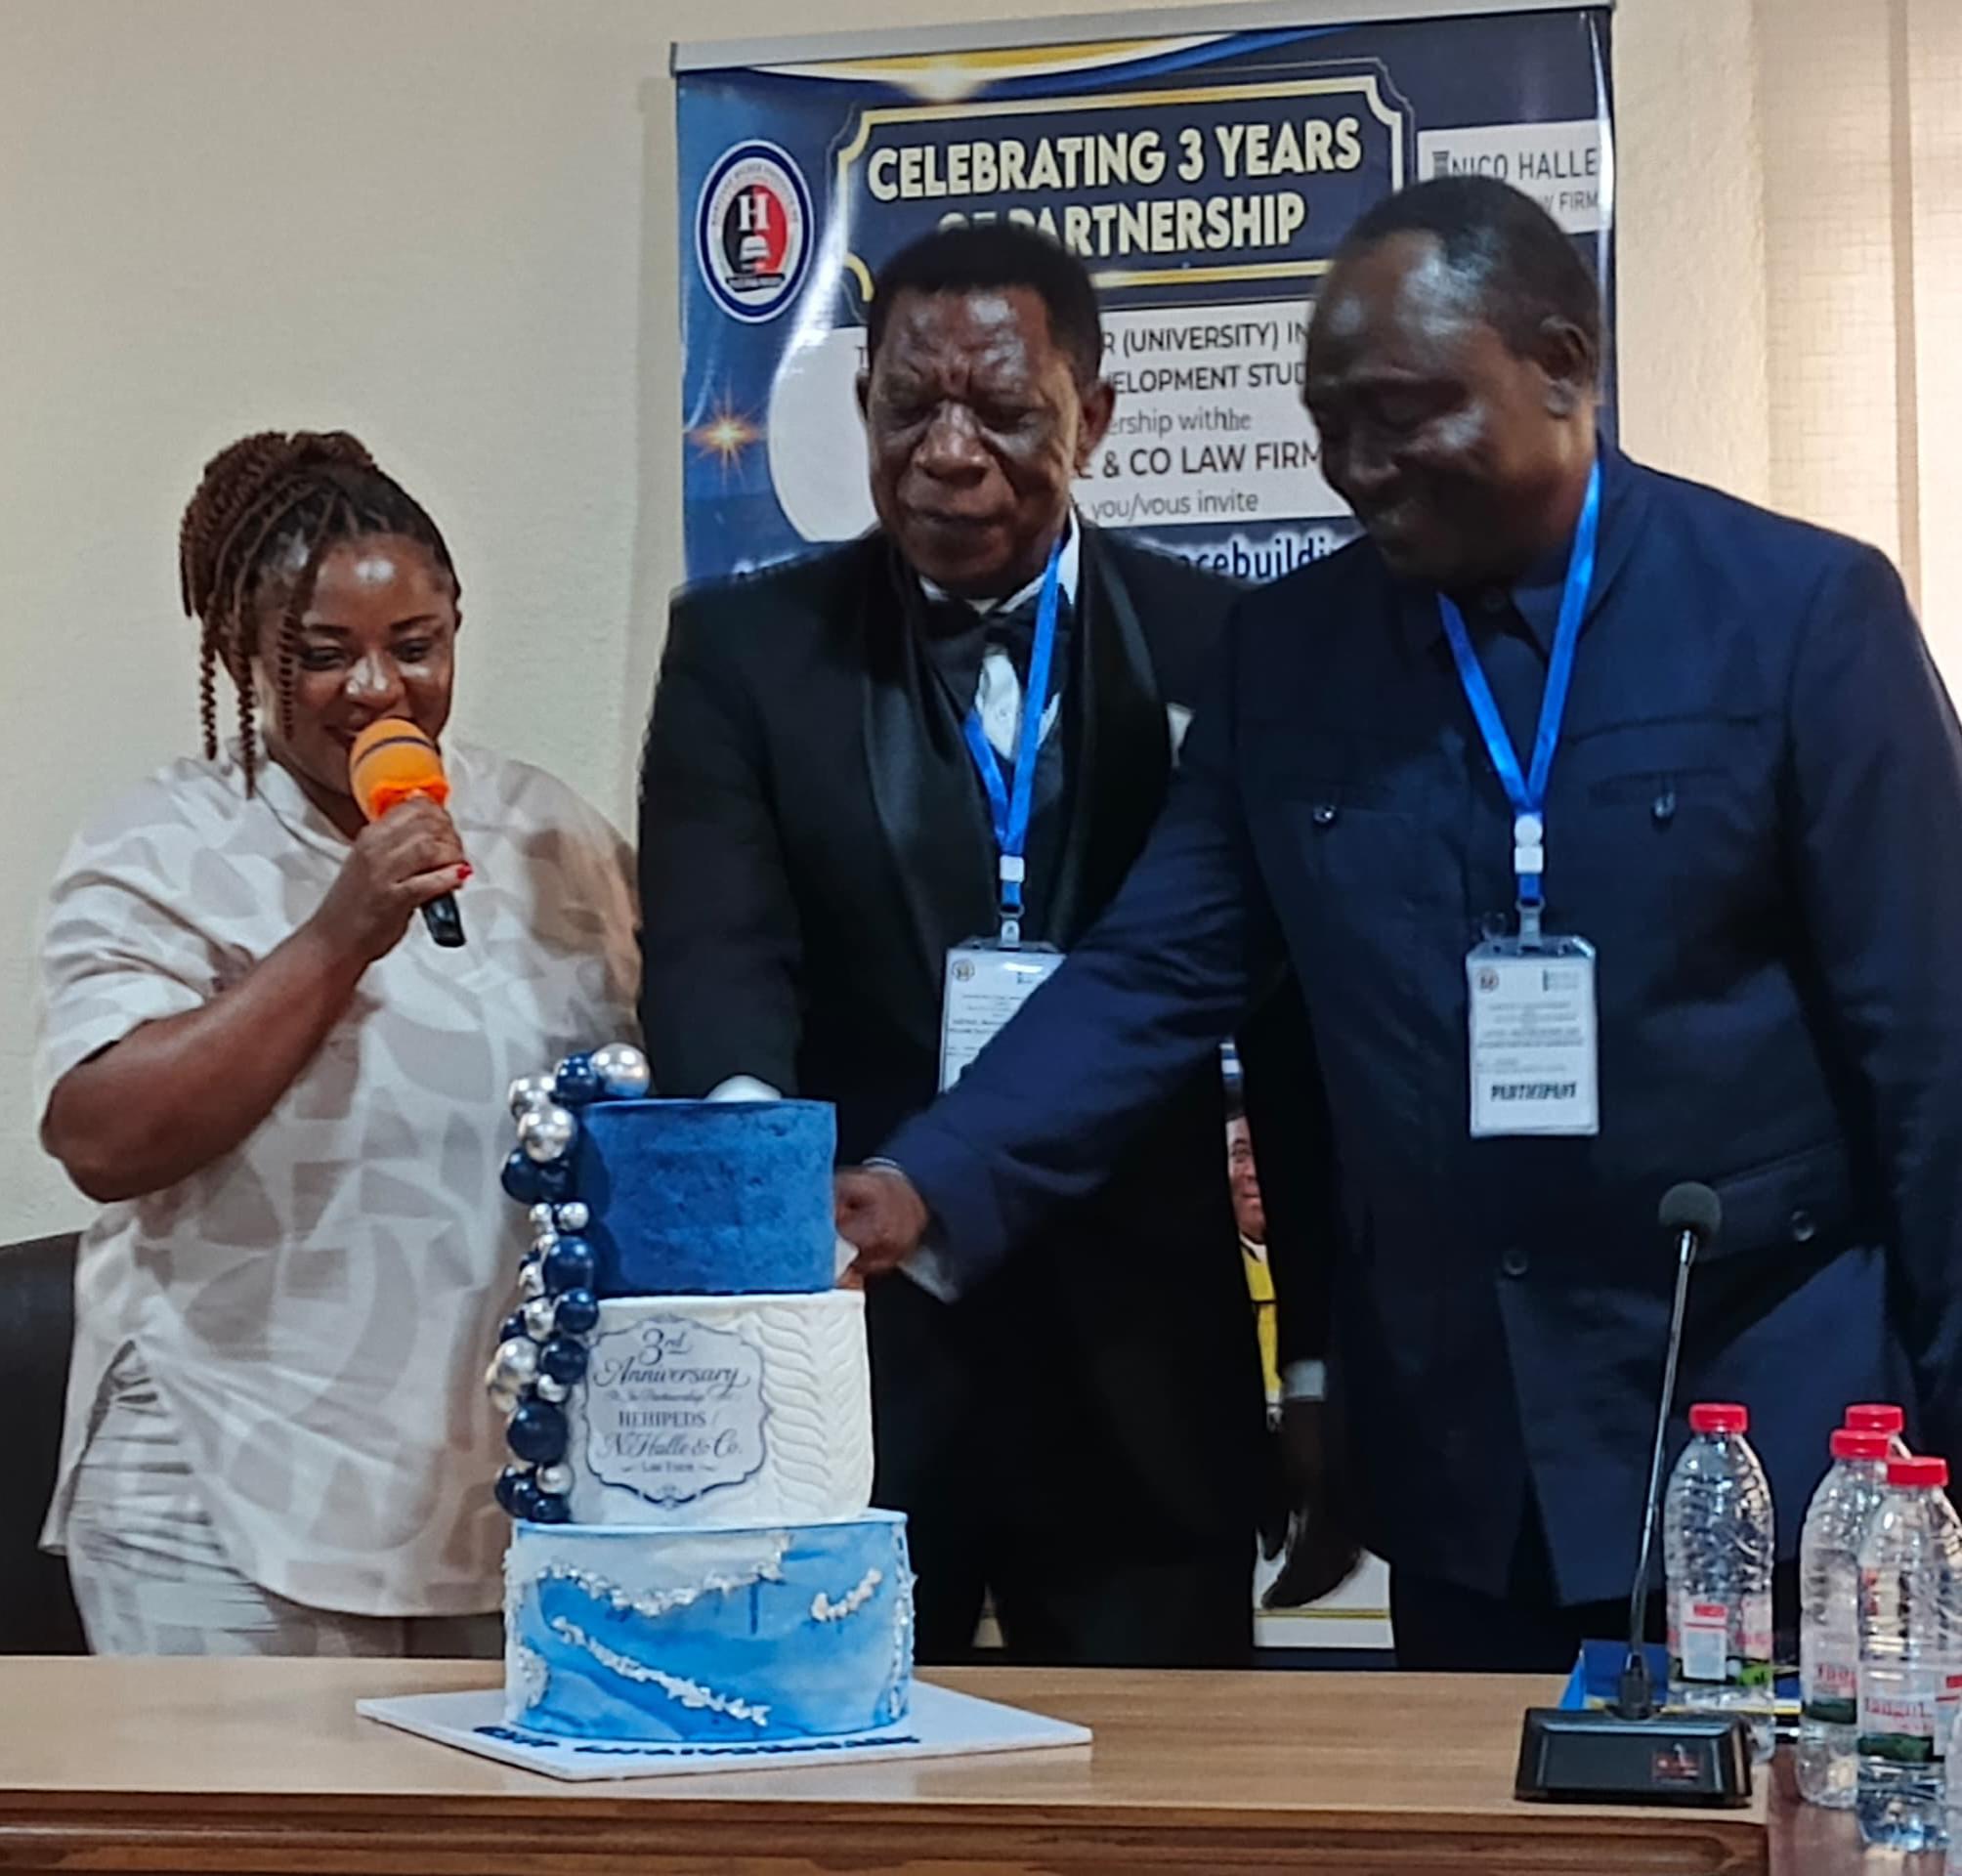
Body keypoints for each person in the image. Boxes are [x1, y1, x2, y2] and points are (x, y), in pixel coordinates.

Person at [836, 175, 1962, 1673]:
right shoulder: (1289, 660)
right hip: (1464, 1465)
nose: (1356, 466)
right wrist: (925, 1179)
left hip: (1762, 1441)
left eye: (1404, 412)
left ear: (1563, 366)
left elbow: (1932, 1053)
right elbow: (1155, 973)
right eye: (1328, 420)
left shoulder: (1799, 617)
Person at [639, 224, 1318, 1667]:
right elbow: (718, 958)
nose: (948, 454)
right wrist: (769, 1210)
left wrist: (1318, 1358)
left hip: (1144, 1376)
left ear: (1095, 417)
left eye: (1004, 411)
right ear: (864, 405)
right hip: (854, 1352)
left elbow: (1292, 1027)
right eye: (907, 408)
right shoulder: (742, 654)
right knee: (832, 1771)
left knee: (1163, 1785)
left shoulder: (1229, 647)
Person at [36, 430, 638, 1655]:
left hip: (492, 1495)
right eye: (322, 655)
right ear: (241, 654)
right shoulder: (165, 844)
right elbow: (99, 1138)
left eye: (414, 646)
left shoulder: (549, 835)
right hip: (222, 1486)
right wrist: (338, 936)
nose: (376, 689)